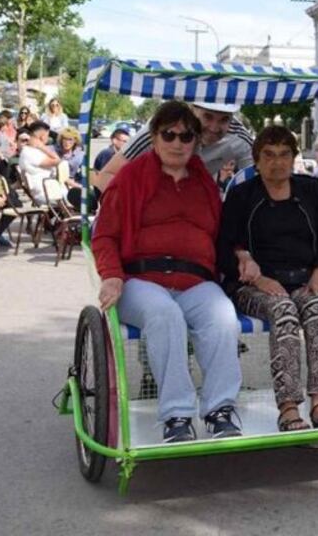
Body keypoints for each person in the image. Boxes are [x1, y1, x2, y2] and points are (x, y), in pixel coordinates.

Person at [92, 100, 242, 443]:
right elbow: (104, 234)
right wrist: (111, 274)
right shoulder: (132, 177)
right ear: (155, 138)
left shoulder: (202, 181)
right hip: (140, 280)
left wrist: (239, 260)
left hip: (194, 280)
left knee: (221, 315)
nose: (177, 143)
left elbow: (220, 234)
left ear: (196, 141)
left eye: (185, 136)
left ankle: (220, 409)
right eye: (169, 135)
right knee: (165, 314)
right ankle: (177, 414)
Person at [218, 126, 318, 432]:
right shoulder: (241, 195)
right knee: (283, 310)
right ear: (256, 161)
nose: (277, 162)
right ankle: (288, 408)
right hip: (254, 285)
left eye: (285, 154)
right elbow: (223, 248)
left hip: (303, 279)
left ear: (294, 158)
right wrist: (257, 278)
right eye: (269, 155)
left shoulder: (309, 190)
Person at [93, 102, 253, 191]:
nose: (214, 127)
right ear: (192, 110)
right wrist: (135, 205)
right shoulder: (161, 127)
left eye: (224, 120)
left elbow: (258, 185)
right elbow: (106, 176)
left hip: (195, 207)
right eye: (207, 116)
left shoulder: (240, 139)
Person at [17, 121, 61, 205]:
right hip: (45, 193)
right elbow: (57, 160)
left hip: (49, 190)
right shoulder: (31, 153)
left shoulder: (30, 151)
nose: (48, 139)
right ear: (42, 136)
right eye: (47, 136)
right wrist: (41, 146)